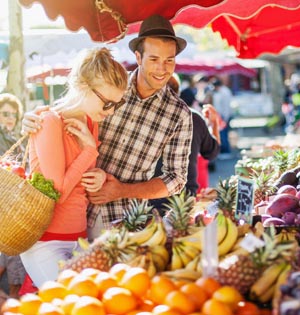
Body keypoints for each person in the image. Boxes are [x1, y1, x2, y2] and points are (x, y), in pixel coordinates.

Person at [23, 15, 193, 241]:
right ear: (138, 57)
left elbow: (176, 179)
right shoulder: (110, 86)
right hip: (75, 212)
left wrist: (121, 190)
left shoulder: (179, 114)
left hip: (126, 221)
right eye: (154, 59)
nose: (162, 69)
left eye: (169, 60)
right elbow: (66, 113)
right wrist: (35, 118)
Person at [19, 48, 128, 287]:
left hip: (79, 237)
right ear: (83, 87)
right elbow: (57, 192)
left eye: (116, 106)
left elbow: (79, 176)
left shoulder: (91, 120)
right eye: (107, 103)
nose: (110, 112)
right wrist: (90, 150)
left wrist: (100, 176)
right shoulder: (49, 121)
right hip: (46, 243)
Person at [0, 94, 27, 298]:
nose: (10, 118)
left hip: (14, 205)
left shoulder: (15, 139)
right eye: (5, 114)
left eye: (14, 114)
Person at [212, 78, 233, 155]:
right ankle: (224, 150)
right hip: (220, 116)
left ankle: (226, 150)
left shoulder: (224, 92)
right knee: (222, 133)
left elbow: (226, 106)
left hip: (224, 116)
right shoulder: (219, 92)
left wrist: (225, 118)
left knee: (224, 134)